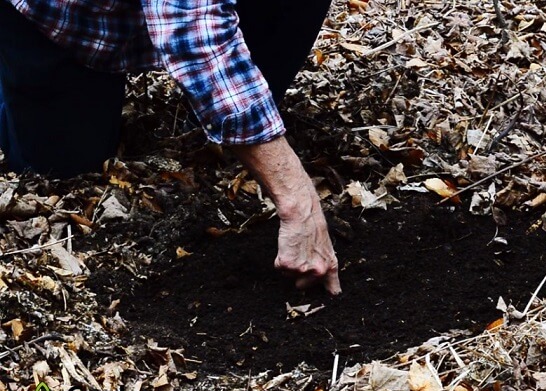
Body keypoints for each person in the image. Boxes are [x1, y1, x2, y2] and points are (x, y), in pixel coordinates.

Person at [0, 1, 342, 295]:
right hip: (77, 21)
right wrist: (297, 202)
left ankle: (231, 112)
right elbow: (193, 29)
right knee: (60, 167)